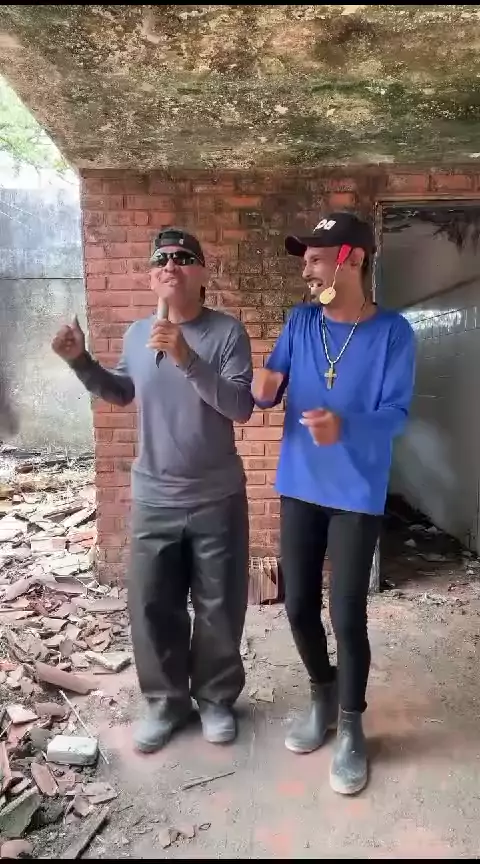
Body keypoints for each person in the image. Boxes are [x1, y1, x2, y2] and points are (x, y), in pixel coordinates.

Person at [52, 227, 254, 752]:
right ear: (150, 277)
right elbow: (122, 391)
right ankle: (166, 703)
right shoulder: (138, 333)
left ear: (202, 272)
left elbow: (240, 406)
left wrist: (187, 358)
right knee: (151, 606)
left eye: (184, 257)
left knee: (219, 606)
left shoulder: (227, 333)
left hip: (216, 497)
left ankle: (215, 700)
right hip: (154, 498)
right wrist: (81, 362)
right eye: (161, 259)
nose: (170, 264)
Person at [252, 211, 416, 795]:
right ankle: (322, 694)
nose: (308, 269)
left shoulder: (393, 332)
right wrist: (263, 389)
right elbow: (270, 382)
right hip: (299, 484)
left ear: (352, 258)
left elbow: (396, 414)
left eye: (317, 258)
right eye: (306, 259)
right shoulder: (300, 321)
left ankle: (351, 727)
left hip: (355, 494)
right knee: (298, 606)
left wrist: (342, 426)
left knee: (346, 614)